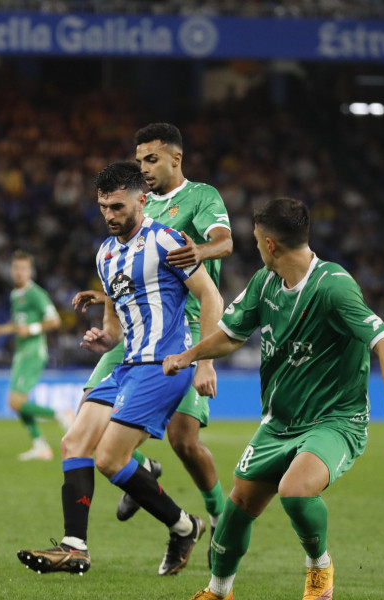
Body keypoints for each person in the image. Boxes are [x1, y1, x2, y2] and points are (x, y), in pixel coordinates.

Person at [162, 197, 384, 600]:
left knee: (295, 490)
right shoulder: (265, 284)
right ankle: (218, 591)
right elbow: (231, 335)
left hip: (335, 420)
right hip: (279, 422)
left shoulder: (333, 286)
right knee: (236, 510)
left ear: (269, 245)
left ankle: (320, 568)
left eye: (256, 240)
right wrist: (189, 356)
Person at [17, 161, 223, 576]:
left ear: (140, 200)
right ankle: (80, 545)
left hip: (163, 366)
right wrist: (104, 339)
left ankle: (184, 525)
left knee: (110, 459)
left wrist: (203, 360)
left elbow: (211, 298)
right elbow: (115, 324)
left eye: (116, 206)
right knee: (74, 444)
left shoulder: (167, 241)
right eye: (102, 207)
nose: (109, 215)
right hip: (128, 363)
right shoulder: (106, 254)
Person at [78, 123, 234, 541]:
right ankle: (141, 473)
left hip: (183, 328)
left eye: (151, 159)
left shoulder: (200, 197)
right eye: (139, 160)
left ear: (175, 159)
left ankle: (218, 516)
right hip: (131, 331)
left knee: (184, 440)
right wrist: (105, 292)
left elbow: (224, 241)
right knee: (84, 427)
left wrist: (198, 250)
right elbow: (136, 268)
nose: (143, 168)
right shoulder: (133, 205)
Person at [0, 250, 69, 461]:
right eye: (16, 268)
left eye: (23, 268)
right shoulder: (16, 294)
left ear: (30, 271)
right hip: (21, 353)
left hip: (32, 352)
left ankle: (61, 414)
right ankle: (40, 446)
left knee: (15, 402)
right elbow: (17, 325)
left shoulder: (36, 294)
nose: (19, 272)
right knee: (16, 403)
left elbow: (55, 321)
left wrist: (32, 329)